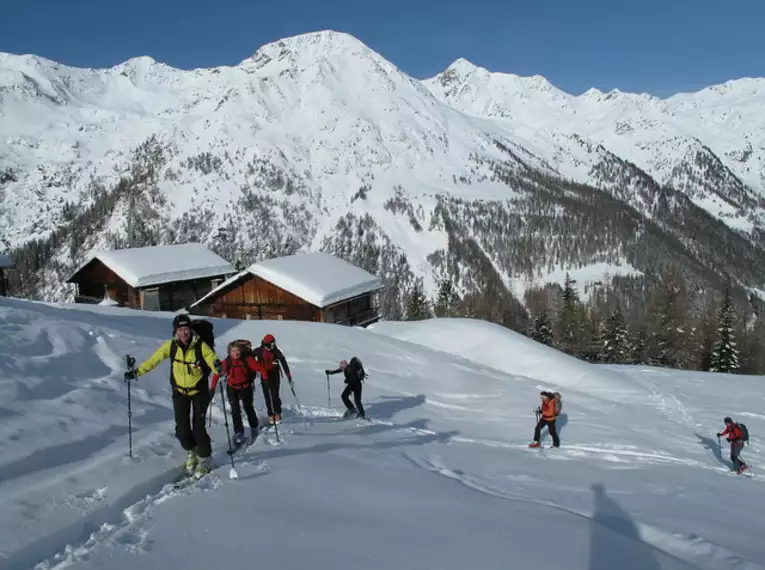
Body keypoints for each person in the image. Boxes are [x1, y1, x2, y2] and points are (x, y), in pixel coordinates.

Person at [124, 314, 223, 477]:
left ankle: (205, 458)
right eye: (180, 330)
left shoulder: (200, 345)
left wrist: (218, 368)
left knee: (198, 428)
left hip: (199, 391)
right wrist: (136, 372)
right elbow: (153, 360)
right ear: (175, 332)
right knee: (181, 430)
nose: (184, 333)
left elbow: (211, 359)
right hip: (180, 392)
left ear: (190, 330)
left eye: (186, 329)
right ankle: (192, 452)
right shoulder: (171, 346)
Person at [210, 341, 264, 446]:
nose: (236, 353)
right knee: (235, 410)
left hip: (246, 387)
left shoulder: (247, 359)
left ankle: (254, 428)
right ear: (229, 352)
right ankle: (239, 432)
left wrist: (263, 367)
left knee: (248, 408)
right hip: (232, 388)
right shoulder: (228, 361)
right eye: (233, 351)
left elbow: (258, 368)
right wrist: (212, 388)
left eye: (238, 350)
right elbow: (218, 374)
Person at [252, 333, 292, 424]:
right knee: (267, 396)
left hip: (274, 375)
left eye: (274, 343)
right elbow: (250, 358)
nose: (273, 345)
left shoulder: (276, 352)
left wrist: (289, 377)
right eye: (271, 344)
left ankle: (277, 413)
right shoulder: (259, 351)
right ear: (266, 344)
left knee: (274, 394)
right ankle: (270, 414)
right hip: (264, 374)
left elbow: (284, 363)